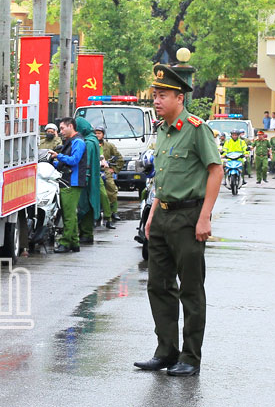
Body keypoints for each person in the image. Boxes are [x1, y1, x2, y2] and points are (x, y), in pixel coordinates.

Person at [134, 64, 222, 377]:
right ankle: (166, 351)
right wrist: (153, 213)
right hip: (163, 216)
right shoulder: (161, 130)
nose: (156, 100)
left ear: (179, 97)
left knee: (191, 290)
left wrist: (205, 217)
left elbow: (216, 170)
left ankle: (190, 358)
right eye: (154, 95)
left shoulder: (196, 129)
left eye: (162, 95)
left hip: (189, 217)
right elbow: (163, 176)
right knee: (158, 285)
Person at [46, 118, 87, 253]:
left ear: (71, 126)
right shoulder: (72, 142)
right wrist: (54, 161)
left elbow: (74, 160)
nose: (61, 131)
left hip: (72, 182)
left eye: (63, 128)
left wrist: (58, 156)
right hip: (68, 180)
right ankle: (74, 242)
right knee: (70, 214)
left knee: (68, 215)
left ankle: (65, 242)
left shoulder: (78, 142)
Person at [75, 118, 102, 243]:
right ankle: (86, 233)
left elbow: (87, 162)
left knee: (85, 204)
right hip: (92, 178)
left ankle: (86, 233)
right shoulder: (93, 139)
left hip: (87, 178)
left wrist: (84, 177)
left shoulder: (88, 142)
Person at [94, 126, 122, 229]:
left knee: (111, 189)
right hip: (94, 171)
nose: (97, 135)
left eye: (99, 133)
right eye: (95, 133)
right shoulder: (92, 144)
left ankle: (113, 212)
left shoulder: (109, 146)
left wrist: (114, 169)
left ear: (103, 135)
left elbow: (119, 158)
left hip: (105, 171)